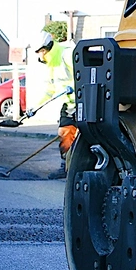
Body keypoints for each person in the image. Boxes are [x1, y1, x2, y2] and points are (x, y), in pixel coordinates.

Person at [36, 31, 77, 180]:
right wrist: (35, 107)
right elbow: (50, 90)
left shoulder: (67, 55)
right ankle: (65, 167)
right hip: (68, 105)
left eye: (41, 52)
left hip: (83, 102)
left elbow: (83, 75)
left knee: (87, 135)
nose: (40, 57)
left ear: (47, 48)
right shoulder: (50, 65)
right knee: (64, 134)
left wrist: (75, 88)